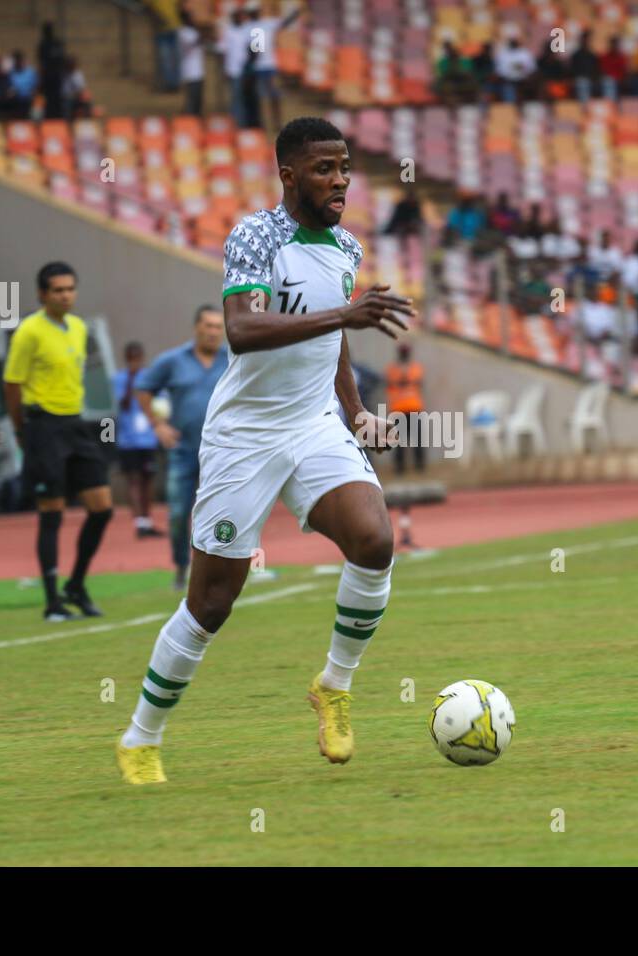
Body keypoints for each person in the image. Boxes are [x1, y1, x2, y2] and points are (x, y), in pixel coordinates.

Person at [116, 116, 414, 785]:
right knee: (212, 604)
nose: (338, 180)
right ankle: (141, 736)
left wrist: (356, 411)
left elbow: (332, 341)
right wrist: (345, 314)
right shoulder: (256, 235)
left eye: (343, 167)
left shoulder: (346, 249)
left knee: (374, 541)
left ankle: (333, 685)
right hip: (243, 437)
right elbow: (245, 331)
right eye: (322, 168)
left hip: (313, 425)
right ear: (289, 174)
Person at [2, 262, 114, 621]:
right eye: (57, 290)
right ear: (42, 294)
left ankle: (76, 584)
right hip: (43, 426)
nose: (65, 295)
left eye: (70, 289)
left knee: (102, 508)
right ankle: (52, 601)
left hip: (75, 423)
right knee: (51, 514)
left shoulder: (79, 328)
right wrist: (22, 431)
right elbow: (12, 384)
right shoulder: (28, 332)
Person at [133, 305, 229, 590]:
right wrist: (157, 425)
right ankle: (180, 568)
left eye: (217, 326)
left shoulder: (233, 358)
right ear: (196, 328)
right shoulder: (172, 360)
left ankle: (228, 569)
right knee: (178, 512)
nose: (213, 332)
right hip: (183, 451)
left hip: (223, 451)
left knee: (228, 511)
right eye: (208, 326)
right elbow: (143, 388)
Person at [113, 342, 164, 540]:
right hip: (128, 440)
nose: (135, 362)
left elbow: (159, 402)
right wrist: (132, 380)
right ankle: (139, 523)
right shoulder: (119, 378)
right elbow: (123, 404)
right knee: (133, 479)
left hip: (147, 438)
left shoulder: (150, 377)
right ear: (127, 359)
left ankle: (147, 519)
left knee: (148, 479)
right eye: (131, 358)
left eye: (138, 358)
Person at [244, 3, 301, 132]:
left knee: (274, 97)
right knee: (263, 99)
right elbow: (251, 50)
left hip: (269, 66)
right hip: (258, 69)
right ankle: (266, 126)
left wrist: (295, 13)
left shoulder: (267, 23)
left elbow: (284, 23)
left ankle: (277, 124)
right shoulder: (248, 27)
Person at [384, 343, 426, 476]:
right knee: (399, 441)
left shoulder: (414, 368)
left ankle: (419, 467)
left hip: (413, 407)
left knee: (417, 439)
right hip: (398, 408)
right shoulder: (394, 369)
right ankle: (400, 467)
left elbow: (418, 383)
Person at [177, 9, 206, 116]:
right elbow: (191, 44)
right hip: (190, 72)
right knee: (191, 101)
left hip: (199, 72)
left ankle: (196, 122)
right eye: (190, 17)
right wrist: (201, 31)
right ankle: (187, 121)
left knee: (198, 100)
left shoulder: (194, 31)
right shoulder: (182, 32)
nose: (193, 20)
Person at [494, 36, 536, 103]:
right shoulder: (502, 54)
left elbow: (531, 68)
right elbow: (500, 70)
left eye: (514, 41)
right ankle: (510, 106)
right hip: (508, 80)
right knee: (508, 92)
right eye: (512, 41)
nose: (513, 43)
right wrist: (513, 70)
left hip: (524, 80)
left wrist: (524, 74)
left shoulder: (525, 53)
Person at [570, 31, 599, 102]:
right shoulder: (576, 55)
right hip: (580, 79)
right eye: (584, 39)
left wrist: (594, 78)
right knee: (583, 83)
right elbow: (573, 70)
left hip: (591, 79)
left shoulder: (592, 55)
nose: (586, 41)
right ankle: (584, 106)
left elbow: (596, 69)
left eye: (587, 39)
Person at [8, 51, 37, 118]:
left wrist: (32, 94)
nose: (19, 62)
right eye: (17, 60)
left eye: (21, 60)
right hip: (16, 100)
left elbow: (36, 87)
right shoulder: (11, 73)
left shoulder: (31, 73)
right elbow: (10, 88)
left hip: (29, 99)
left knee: (38, 102)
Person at [598, 35, 627, 99]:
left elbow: (624, 71)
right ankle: (610, 102)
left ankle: (612, 102)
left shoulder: (621, 57)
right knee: (608, 82)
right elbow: (602, 70)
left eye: (615, 44)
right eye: (612, 44)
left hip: (619, 80)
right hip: (608, 80)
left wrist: (619, 79)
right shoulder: (604, 57)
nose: (614, 46)